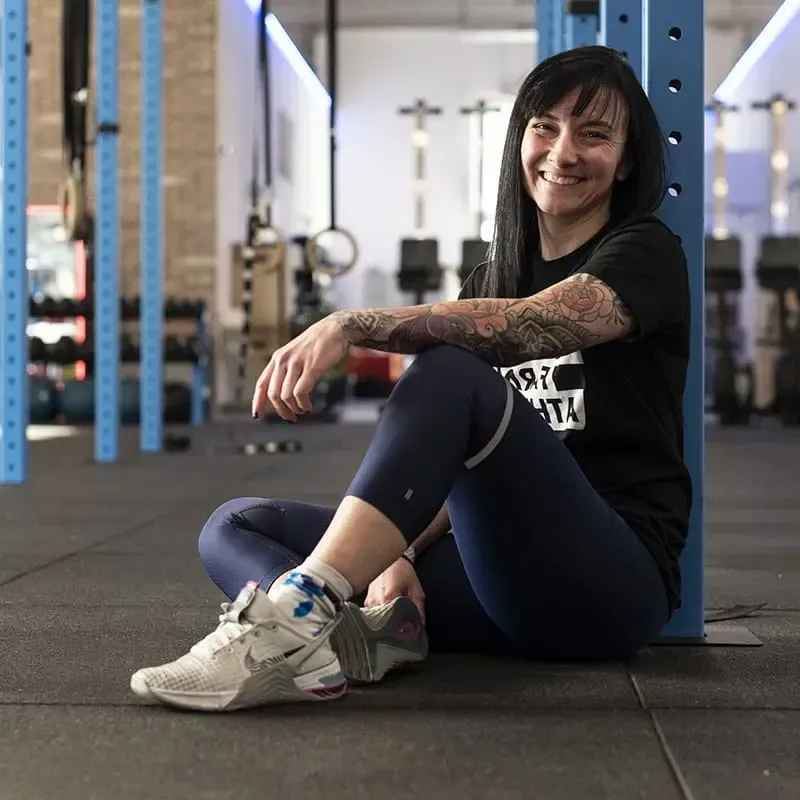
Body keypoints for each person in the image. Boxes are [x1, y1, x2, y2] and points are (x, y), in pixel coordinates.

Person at [131, 45, 692, 712]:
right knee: (236, 525)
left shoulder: (643, 252)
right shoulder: (491, 278)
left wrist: (353, 324)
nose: (562, 152)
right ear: (520, 138)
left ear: (625, 160)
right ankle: (334, 635)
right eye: (545, 127)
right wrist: (390, 554)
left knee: (448, 369)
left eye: (593, 134)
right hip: (501, 584)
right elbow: (451, 464)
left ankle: (292, 624)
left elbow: (530, 325)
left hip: (607, 583)